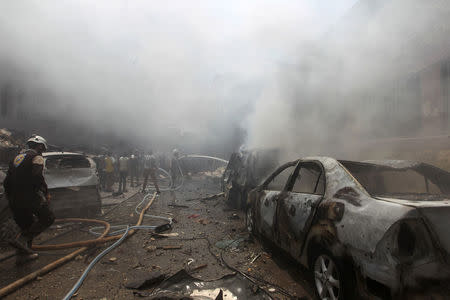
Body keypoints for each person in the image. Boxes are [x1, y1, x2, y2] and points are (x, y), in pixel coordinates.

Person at [3, 135, 55, 265]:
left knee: (27, 224)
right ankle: (22, 240)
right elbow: (37, 177)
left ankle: (23, 256)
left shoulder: (16, 158)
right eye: (42, 149)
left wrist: (10, 197)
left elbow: (6, 181)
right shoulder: (37, 157)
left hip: (14, 199)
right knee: (48, 218)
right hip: (29, 197)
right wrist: (45, 193)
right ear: (39, 146)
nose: (42, 152)